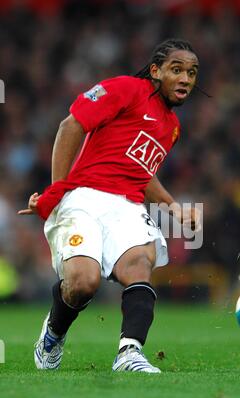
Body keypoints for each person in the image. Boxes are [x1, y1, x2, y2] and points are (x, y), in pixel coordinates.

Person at [18, 38, 201, 373]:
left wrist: (172, 207)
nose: (186, 79)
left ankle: (129, 353)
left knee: (139, 266)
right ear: (156, 70)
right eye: (177, 70)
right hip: (84, 197)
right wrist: (57, 190)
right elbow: (70, 125)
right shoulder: (125, 89)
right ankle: (53, 334)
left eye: (192, 72)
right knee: (83, 283)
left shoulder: (172, 127)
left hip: (127, 207)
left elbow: (140, 172)